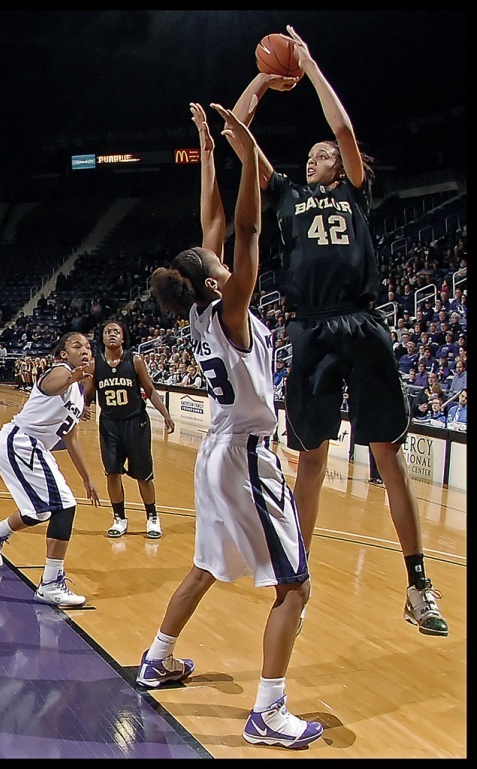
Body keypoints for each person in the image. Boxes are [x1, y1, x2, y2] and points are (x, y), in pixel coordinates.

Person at [225, 24, 447, 636]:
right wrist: (265, 81)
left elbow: (344, 131)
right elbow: (238, 136)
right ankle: (298, 572)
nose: (315, 157)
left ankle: (418, 584)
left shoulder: (353, 191)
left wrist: (311, 65)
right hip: (311, 330)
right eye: (313, 154)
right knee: (312, 461)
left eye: (322, 154)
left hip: (362, 322)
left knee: (388, 457)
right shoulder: (288, 195)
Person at [139, 102, 323, 750]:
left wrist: (208, 150)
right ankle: (267, 712)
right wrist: (247, 156)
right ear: (214, 280)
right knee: (295, 586)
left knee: (204, 566)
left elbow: (213, 225)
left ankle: (157, 657)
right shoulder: (231, 309)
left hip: (219, 452)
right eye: (218, 264)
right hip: (245, 455)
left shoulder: (200, 310)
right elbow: (243, 228)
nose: (227, 261)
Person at [0, 332, 101, 608]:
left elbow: (71, 438)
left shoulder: (79, 394)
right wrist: (72, 377)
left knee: (42, 511)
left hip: (31, 447)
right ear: (63, 354)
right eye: (76, 346)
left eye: (88, 347)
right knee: (65, 505)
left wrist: (88, 478)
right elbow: (53, 385)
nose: (84, 350)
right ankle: (50, 584)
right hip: (20, 441)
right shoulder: (60, 372)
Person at [83, 319, 175, 540]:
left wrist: (166, 414)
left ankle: (152, 517)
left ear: (123, 337)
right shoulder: (95, 365)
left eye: (116, 331)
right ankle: (119, 518)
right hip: (109, 425)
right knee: (112, 473)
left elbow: (150, 390)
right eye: (107, 331)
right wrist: (82, 408)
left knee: (144, 475)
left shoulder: (135, 361)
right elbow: (86, 396)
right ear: (102, 338)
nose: (112, 334)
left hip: (136, 423)